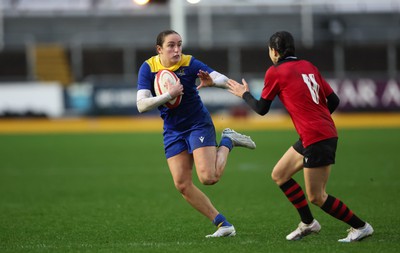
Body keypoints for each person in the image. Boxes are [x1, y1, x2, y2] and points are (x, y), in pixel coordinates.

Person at [226, 31, 373, 242]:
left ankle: (361, 226)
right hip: (316, 134)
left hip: (316, 137)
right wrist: (315, 119)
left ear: (274, 51)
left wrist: (244, 94)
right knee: (280, 174)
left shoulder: (275, 71)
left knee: (317, 196)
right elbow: (334, 101)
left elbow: (261, 109)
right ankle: (308, 224)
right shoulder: (309, 66)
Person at [136, 29, 256, 238]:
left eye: (179, 45)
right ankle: (223, 225)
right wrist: (168, 95)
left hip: (197, 124)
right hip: (173, 130)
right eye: (171, 45)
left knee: (209, 178)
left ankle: (227, 139)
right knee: (182, 184)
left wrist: (231, 88)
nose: (176, 50)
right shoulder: (148, 68)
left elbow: (217, 77)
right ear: (159, 49)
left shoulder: (189, 63)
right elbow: (141, 105)